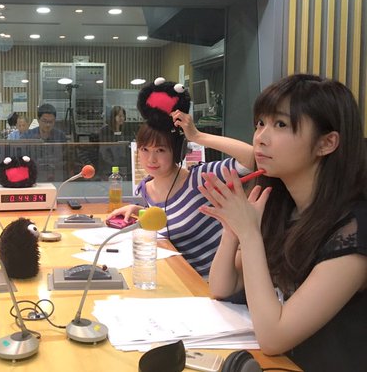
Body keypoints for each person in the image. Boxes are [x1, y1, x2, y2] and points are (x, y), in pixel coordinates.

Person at [199, 75, 366, 371]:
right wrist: (232, 228)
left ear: (326, 143)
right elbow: (222, 287)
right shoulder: (282, 205)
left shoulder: (353, 228)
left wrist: (249, 234)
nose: (260, 138)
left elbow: (273, 338)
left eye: (280, 124)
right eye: (260, 123)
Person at [107, 113, 255, 277]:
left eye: (160, 150)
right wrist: (140, 210)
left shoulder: (200, 178)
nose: (151, 159)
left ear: (178, 152)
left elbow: (251, 159)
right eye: (145, 150)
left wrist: (197, 136)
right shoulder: (146, 189)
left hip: (215, 282)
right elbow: (170, 216)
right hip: (182, 277)